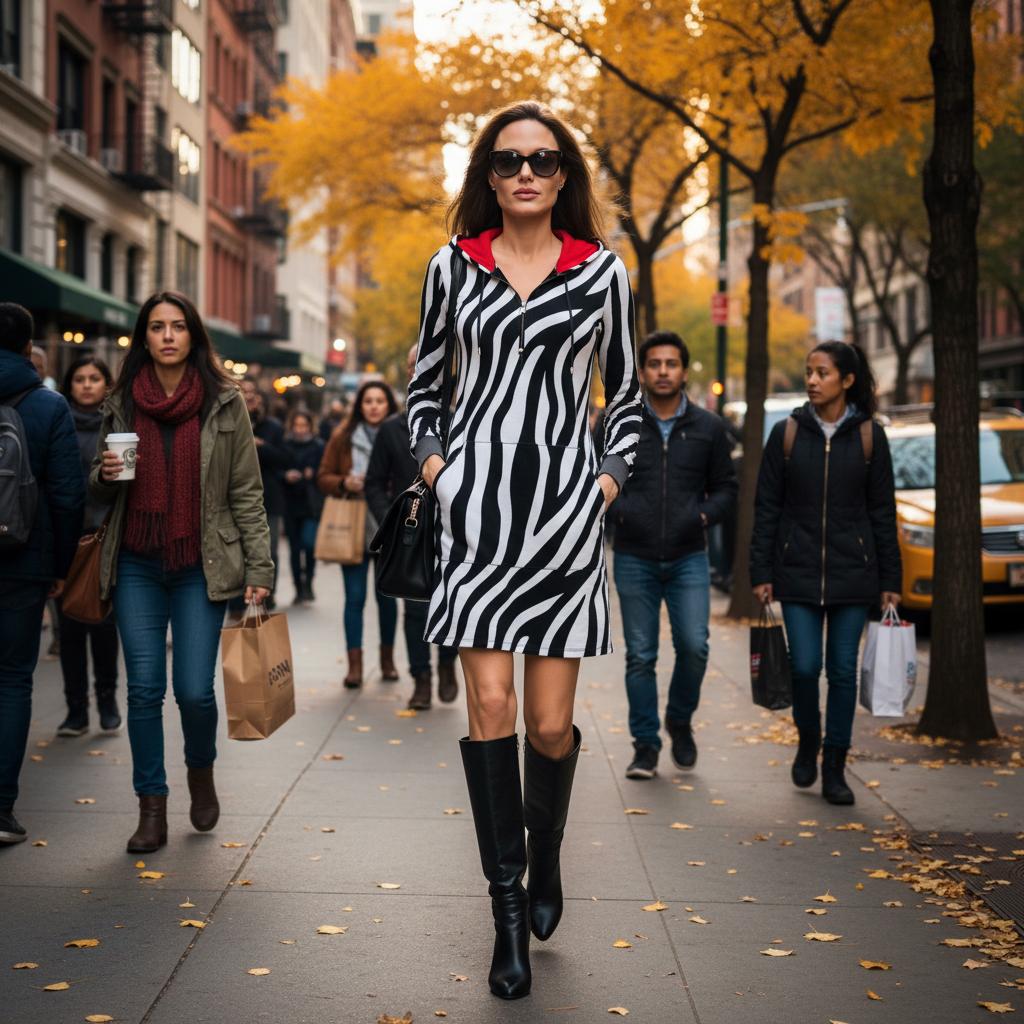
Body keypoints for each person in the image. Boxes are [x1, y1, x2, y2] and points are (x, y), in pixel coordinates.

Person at [407, 100, 641, 1000]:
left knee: (548, 727)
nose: (527, 174)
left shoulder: (602, 275)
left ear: (563, 174)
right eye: (509, 162)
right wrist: (440, 472)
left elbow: (621, 397)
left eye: (543, 160)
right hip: (476, 525)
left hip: (566, 525)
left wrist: (606, 482)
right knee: (492, 708)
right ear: (489, 177)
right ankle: (507, 913)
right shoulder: (451, 270)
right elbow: (424, 389)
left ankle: (545, 861)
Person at [89, 291, 273, 853]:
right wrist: (108, 472)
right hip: (137, 560)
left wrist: (260, 565)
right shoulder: (121, 401)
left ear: (193, 335)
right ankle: (152, 807)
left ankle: (200, 771)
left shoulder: (223, 401)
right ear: (143, 338)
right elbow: (98, 483)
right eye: (156, 327)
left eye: (177, 327)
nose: (167, 336)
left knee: (194, 691)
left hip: (202, 562)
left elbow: (245, 490)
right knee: (144, 690)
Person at [750, 341, 901, 806]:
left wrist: (890, 582)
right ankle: (808, 741)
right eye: (809, 372)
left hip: (854, 575)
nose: (812, 381)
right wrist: (760, 570)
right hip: (795, 573)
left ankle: (834, 766)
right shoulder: (788, 433)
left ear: (847, 380)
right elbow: (767, 507)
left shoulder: (870, 436)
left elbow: (882, 512)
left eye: (822, 373)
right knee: (803, 666)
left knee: (841, 672)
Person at [609, 331, 737, 780]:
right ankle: (645, 746)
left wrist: (701, 517)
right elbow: (595, 479)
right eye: (654, 364)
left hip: (688, 557)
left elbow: (727, 489)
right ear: (642, 371)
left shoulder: (708, 428)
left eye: (671, 364)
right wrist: (622, 513)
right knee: (640, 655)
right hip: (633, 556)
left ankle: (679, 720)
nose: (663, 371)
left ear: (684, 370)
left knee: (694, 647)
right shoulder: (618, 423)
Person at [0, 303, 85, 844]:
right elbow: (67, 494)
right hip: (23, 562)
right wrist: (59, 569)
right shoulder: (48, 405)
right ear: (32, 346)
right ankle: (2, 808)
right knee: (12, 680)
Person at [365, 344, 460, 710]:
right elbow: (374, 481)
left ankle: (448, 664)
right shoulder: (392, 429)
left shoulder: (463, 421)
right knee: (415, 610)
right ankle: (421, 677)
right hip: (408, 535)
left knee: (454, 604)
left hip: (455, 531)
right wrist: (389, 517)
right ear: (408, 372)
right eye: (415, 364)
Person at [317, 380, 400, 688]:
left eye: (380, 400)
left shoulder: (400, 434)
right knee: (355, 598)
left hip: (388, 524)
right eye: (368, 401)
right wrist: (343, 483)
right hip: (352, 524)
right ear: (360, 406)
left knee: (387, 599)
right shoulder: (343, 437)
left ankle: (387, 661)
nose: (374, 406)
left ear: (389, 404)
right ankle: (355, 666)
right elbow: (323, 476)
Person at [56, 356, 122, 737]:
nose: (85, 385)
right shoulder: (58, 422)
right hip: (66, 540)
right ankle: (76, 709)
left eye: (94, 378)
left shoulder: (116, 424)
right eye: (79, 378)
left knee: (103, 624)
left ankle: (108, 699)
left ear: (106, 383)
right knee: (68, 627)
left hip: (104, 538)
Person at [238, 378, 288, 611]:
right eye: (242, 393)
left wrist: (261, 446)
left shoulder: (273, 427)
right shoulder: (231, 423)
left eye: (251, 394)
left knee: (269, 549)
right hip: (238, 498)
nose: (248, 398)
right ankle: (239, 596)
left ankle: (268, 592)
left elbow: (284, 459)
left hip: (269, 497)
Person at [282, 409, 324, 603]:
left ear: (310, 426)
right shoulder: (285, 445)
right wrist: (286, 475)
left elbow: (323, 472)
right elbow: (277, 468)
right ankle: (298, 588)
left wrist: (313, 473)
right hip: (290, 503)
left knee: (308, 545)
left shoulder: (318, 446)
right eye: (297, 425)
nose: (300, 429)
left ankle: (309, 583)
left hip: (310, 504)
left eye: (303, 425)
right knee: (294, 548)